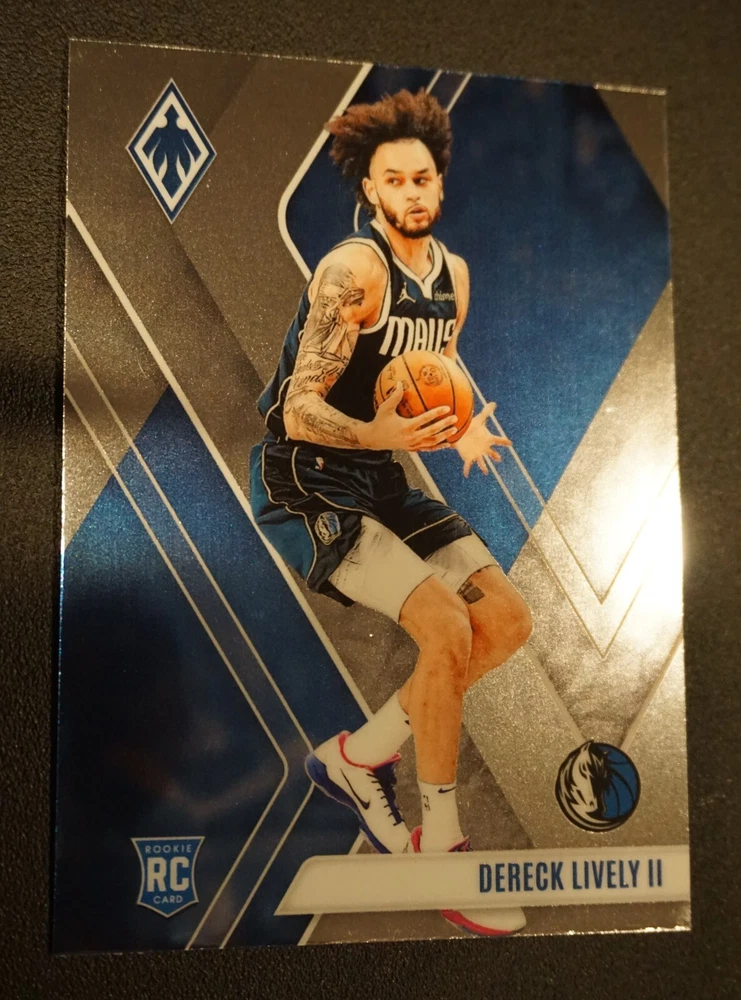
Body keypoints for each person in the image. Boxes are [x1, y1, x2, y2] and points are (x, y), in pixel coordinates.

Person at [249, 88, 532, 935]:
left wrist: (463, 425)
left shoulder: (454, 278)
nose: (411, 192)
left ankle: (360, 756)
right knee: (445, 629)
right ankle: (439, 851)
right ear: (370, 190)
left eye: (422, 178)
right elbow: (297, 407)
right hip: (307, 475)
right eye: (394, 181)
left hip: (377, 474)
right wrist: (373, 431)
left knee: (506, 623)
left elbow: (435, 367)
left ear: (438, 182)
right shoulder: (353, 270)